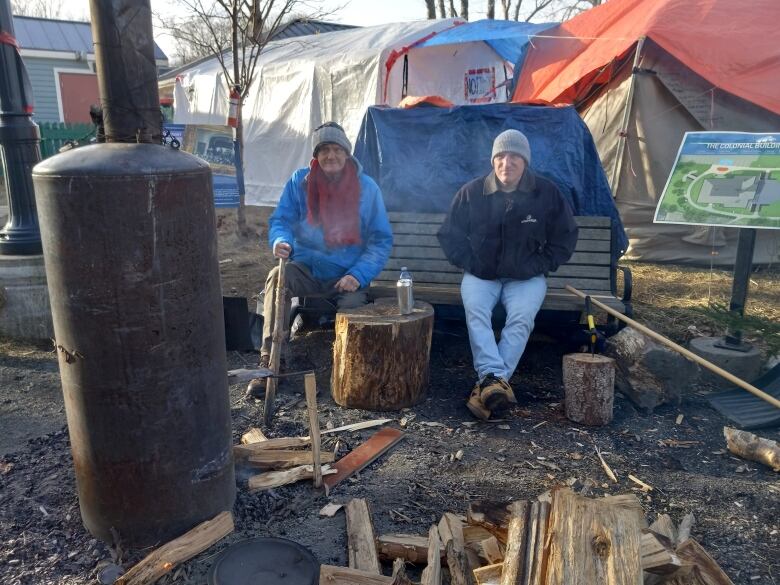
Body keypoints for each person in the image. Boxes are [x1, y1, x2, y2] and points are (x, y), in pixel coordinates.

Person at [437, 129, 578, 419]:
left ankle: (488, 384)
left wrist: (537, 266)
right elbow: (449, 236)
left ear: (525, 161)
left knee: (521, 319)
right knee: (476, 312)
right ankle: (496, 383)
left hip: (526, 277)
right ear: (493, 160)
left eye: (514, 156)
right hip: (481, 274)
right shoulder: (472, 192)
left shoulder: (546, 193)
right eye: (500, 156)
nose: (506, 163)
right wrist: (473, 265)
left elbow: (565, 238)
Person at [257, 122, 393, 372]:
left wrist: (357, 275)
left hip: (348, 275)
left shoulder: (368, 188)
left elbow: (380, 240)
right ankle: (272, 360)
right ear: (316, 156)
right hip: (307, 269)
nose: (331, 156)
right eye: (324, 150)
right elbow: (281, 220)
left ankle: (348, 371)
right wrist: (280, 240)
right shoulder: (300, 181)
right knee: (278, 278)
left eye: (337, 149)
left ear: (347, 153)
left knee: (353, 316)